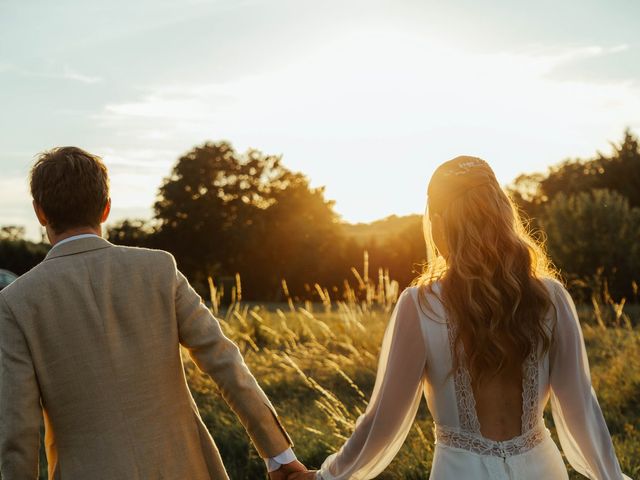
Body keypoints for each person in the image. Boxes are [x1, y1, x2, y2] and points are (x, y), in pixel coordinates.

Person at [291, 156, 631, 479]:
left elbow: (384, 420)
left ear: (439, 222)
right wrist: (613, 477)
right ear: (502, 214)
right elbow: (581, 410)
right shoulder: (550, 298)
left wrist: (327, 476)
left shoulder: (421, 305)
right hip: (541, 469)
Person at [0, 146, 307, 479]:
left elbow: (18, 430)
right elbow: (224, 361)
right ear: (106, 209)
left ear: (40, 212)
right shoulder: (159, 269)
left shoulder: (16, 302)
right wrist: (279, 455)